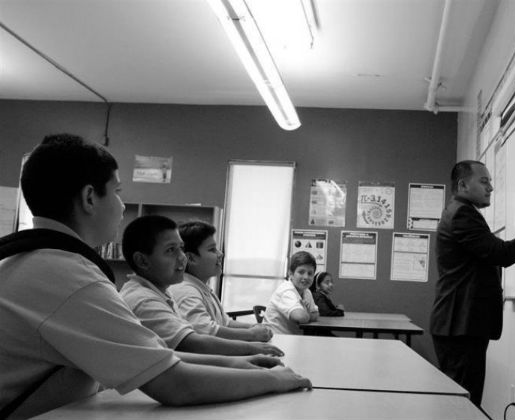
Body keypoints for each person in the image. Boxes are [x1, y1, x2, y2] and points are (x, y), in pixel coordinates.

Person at [0, 134, 310, 418]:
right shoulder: (68, 276)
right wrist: (272, 379)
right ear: (89, 198)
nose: (122, 206)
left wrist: (235, 362)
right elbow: (173, 384)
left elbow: (155, 357)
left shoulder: (25, 258)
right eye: (118, 192)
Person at [429, 160, 515, 408]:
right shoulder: (462, 214)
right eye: (484, 181)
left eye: (491, 182)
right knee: (463, 405)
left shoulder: (459, 211)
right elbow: (501, 254)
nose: (491, 188)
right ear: (463, 185)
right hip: (460, 326)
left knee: (461, 402)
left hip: (458, 325)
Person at [120, 215, 283, 357]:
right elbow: (194, 342)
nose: (181, 257)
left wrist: (252, 334)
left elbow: (219, 325)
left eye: (181, 249)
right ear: (142, 261)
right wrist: (251, 344)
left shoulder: (166, 292)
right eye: (171, 250)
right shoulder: (153, 297)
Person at [170, 220, 273, 342]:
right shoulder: (186, 291)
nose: (220, 254)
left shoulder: (202, 287)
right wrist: (251, 334)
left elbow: (225, 322)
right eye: (212, 249)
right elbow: (205, 330)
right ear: (191, 258)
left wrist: (253, 327)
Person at [263, 251, 319, 334]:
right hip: (275, 339)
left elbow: (316, 314)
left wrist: (307, 315)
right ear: (290, 273)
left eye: (310, 273)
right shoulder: (286, 290)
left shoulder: (307, 292)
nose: (306, 277)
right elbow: (300, 317)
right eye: (301, 272)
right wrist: (308, 314)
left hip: (293, 339)